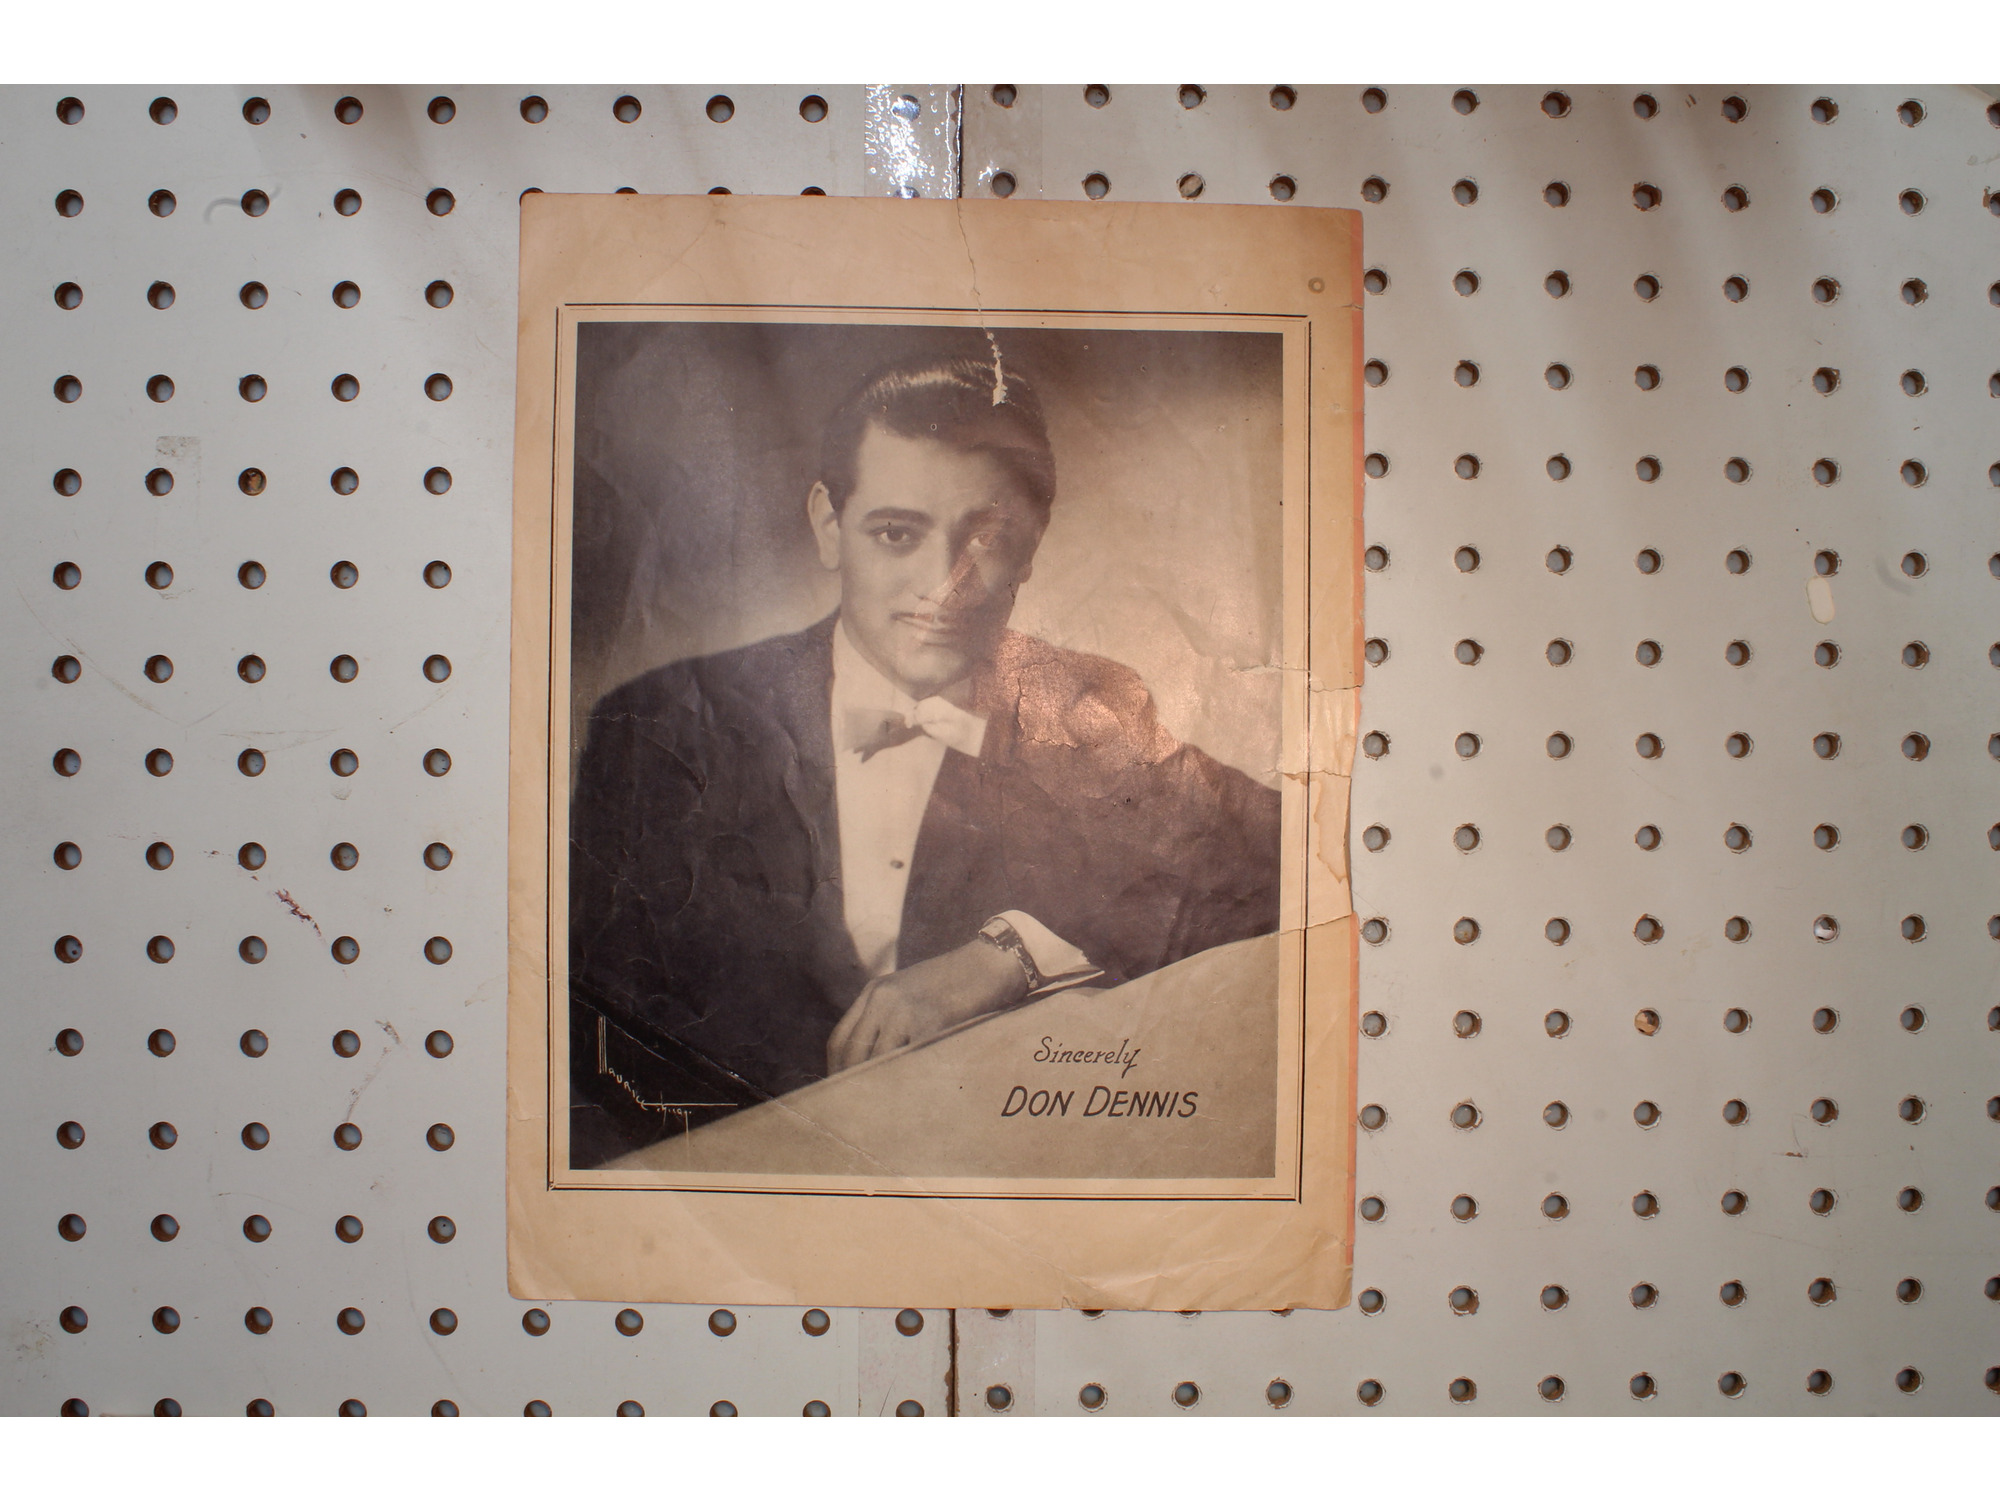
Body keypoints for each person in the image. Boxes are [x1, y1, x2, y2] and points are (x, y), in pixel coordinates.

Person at [568, 352, 1281, 1155]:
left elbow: (1284, 862)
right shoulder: (659, 724)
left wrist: (1013, 954)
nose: (943, 584)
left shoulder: (1084, 703)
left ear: (1033, 546)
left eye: (987, 537)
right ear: (829, 524)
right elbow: (597, 1047)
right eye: (897, 533)